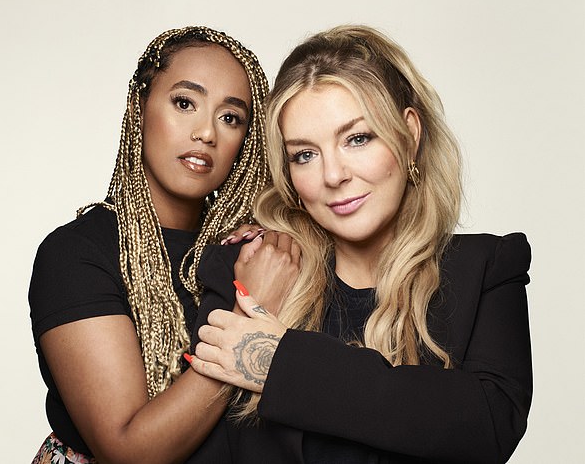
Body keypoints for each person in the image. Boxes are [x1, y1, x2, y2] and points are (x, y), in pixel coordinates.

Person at [189, 25, 533, 463]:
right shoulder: (252, 266)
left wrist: (283, 365)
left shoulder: (486, 269)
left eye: (357, 138)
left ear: (409, 135)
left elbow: (488, 426)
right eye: (304, 154)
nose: (333, 175)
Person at [28, 26, 298, 464]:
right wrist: (247, 319)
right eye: (185, 103)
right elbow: (130, 452)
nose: (206, 133)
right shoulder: (76, 255)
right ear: (140, 107)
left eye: (230, 117)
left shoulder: (250, 251)